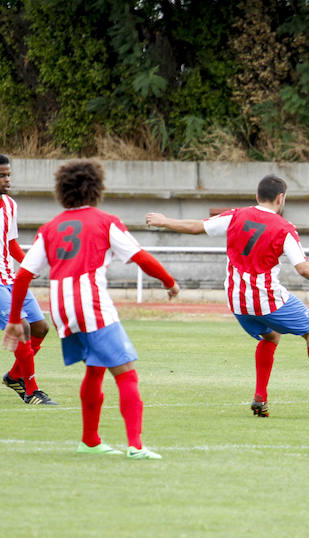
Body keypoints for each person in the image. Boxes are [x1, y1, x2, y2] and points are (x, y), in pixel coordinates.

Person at [3, 159, 179, 459]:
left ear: (62, 192)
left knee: (95, 370)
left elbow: (22, 275)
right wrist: (169, 281)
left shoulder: (50, 228)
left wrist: (15, 318)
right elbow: (140, 257)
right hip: (90, 304)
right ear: (96, 189)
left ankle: (90, 440)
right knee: (126, 374)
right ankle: (136, 446)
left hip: (62, 311)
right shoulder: (105, 221)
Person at [146, 175, 309, 416]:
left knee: (270, 337)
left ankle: (260, 396)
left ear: (257, 196)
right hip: (266, 298)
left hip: (237, 300)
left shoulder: (236, 215)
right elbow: (302, 267)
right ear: (281, 198)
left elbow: (197, 227)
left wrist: (164, 221)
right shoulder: (284, 228)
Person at [0, 154, 56, 405]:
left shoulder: (10, 205)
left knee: (40, 328)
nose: (7, 179)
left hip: (11, 277)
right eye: (2, 175)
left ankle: (14, 376)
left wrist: (29, 266)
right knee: (21, 327)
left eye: (8, 174)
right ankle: (32, 391)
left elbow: (11, 243)